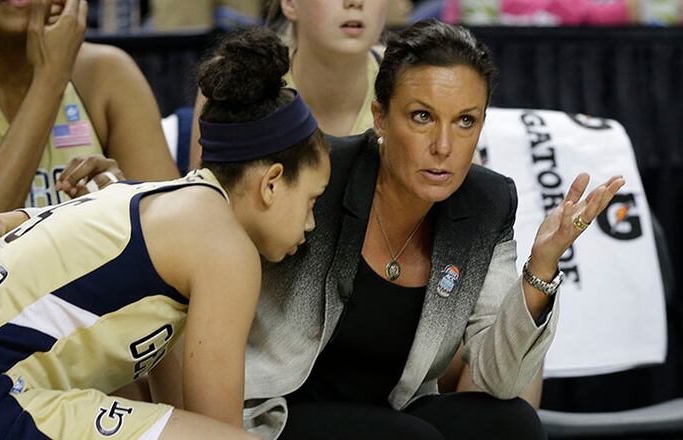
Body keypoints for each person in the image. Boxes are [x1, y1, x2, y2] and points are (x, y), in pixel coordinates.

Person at [0, 27, 329, 439]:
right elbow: (218, 430)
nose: (311, 224)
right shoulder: (225, 245)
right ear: (272, 183)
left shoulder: (143, 200)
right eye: (312, 200)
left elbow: (178, 412)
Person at [238, 20, 623, 439]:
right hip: (281, 413)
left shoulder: (486, 205)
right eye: (422, 117)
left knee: (513, 423)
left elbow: (501, 381)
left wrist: (541, 268)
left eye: (465, 121)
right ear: (381, 117)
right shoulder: (319, 178)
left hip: (392, 414)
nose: (443, 146)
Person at [0, 0, 179, 292]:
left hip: (88, 312)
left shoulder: (107, 72)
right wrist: (51, 78)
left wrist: (119, 200)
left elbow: (178, 236)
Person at [188, 0, 388, 169]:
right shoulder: (232, 80)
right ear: (290, 3)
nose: (355, 2)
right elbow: (205, 198)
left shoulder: (402, 77)